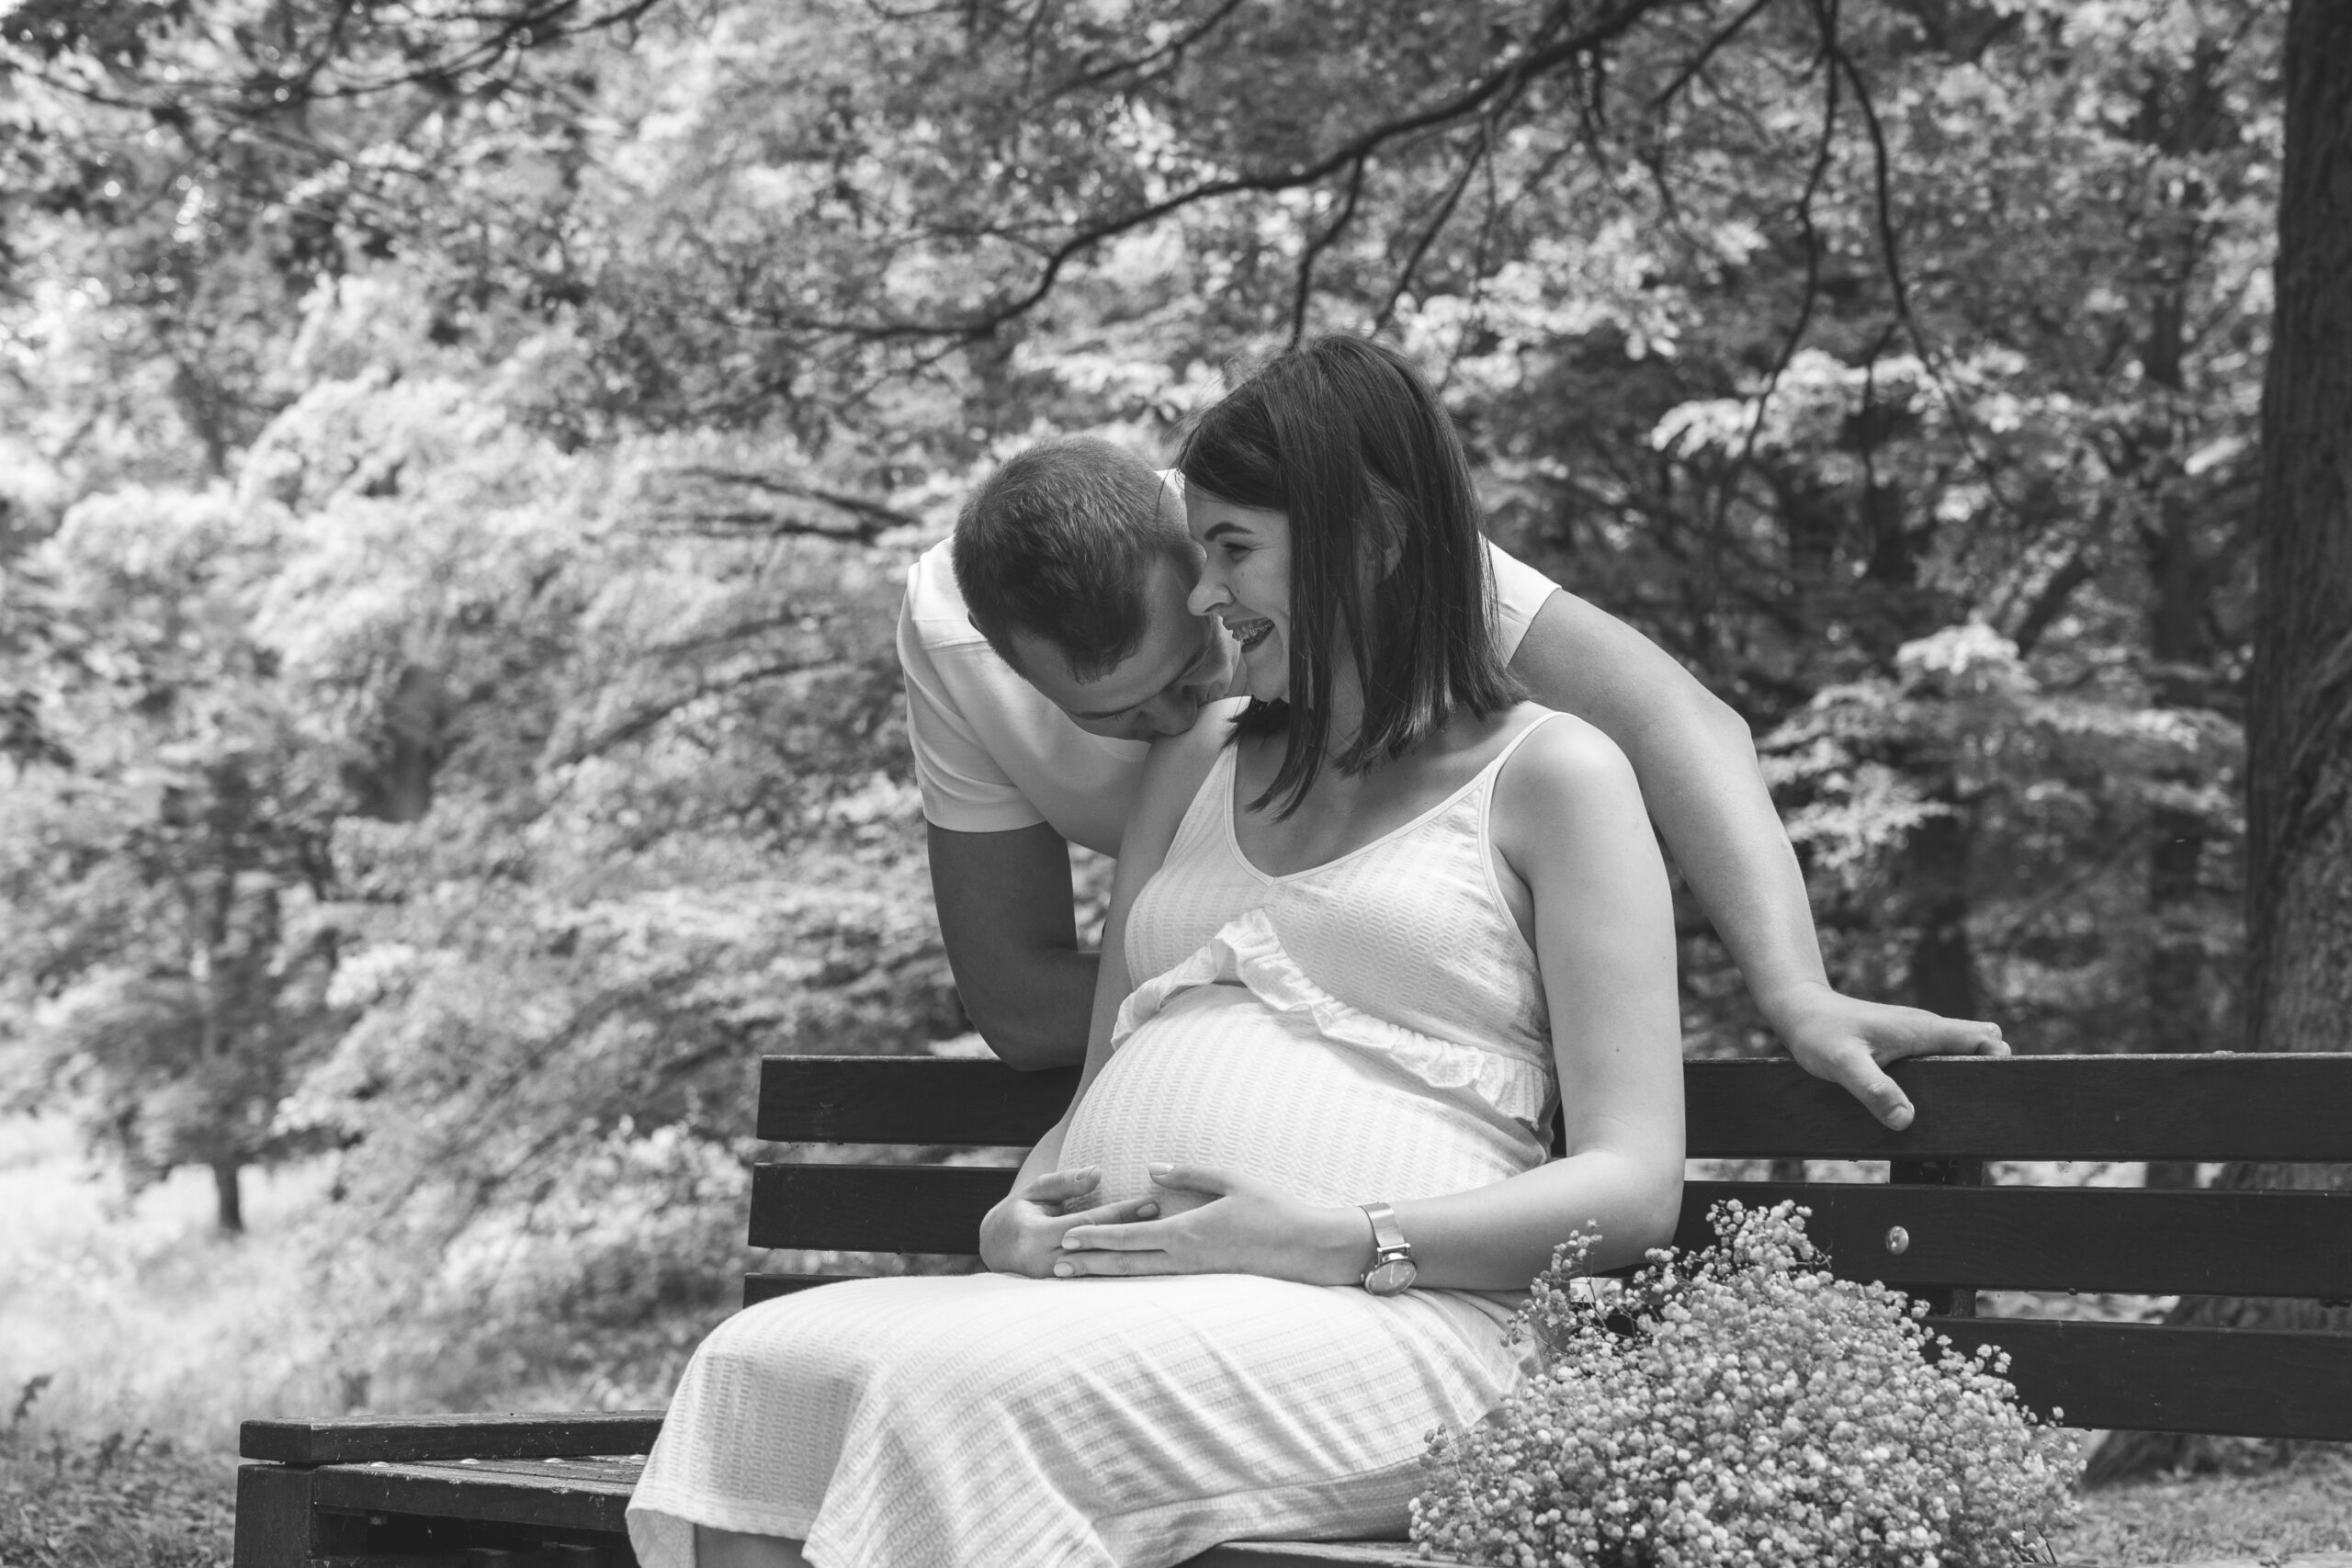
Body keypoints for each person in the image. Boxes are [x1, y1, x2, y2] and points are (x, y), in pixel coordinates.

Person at [626, 335, 1688, 1568]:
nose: (1199, 597)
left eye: (1231, 549)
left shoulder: (1554, 775)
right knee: (758, 1365)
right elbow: (1098, 1082)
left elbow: (1632, 1186)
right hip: (1114, 1302)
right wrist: (1013, 1217)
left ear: (1372, 539)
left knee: (960, 1397)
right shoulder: (1196, 759)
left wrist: (1340, 1233)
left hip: (1410, 1320)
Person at [907, 425, 2002, 1134]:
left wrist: (1792, 987)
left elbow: (1672, 717)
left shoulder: (1326, 557)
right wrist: (1270, 1002)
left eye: (1194, 672)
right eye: (1113, 717)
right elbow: (1017, 1001)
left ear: (1205, 562)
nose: (1175, 729)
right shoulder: (946, 637)